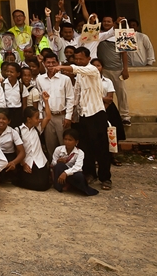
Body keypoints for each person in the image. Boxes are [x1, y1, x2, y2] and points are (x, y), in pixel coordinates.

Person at [56, 47, 112, 190]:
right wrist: (69, 116)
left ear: (88, 59)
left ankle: (105, 178)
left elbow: (77, 69)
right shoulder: (79, 76)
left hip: (97, 114)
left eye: (82, 59)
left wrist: (61, 66)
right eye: (77, 59)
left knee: (102, 148)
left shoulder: (92, 70)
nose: (79, 62)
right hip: (84, 116)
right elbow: (75, 97)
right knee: (85, 147)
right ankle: (90, 173)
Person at [35, 51, 74, 160]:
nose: (51, 65)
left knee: (65, 142)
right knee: (50, 144)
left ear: (58, 63)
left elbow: (70, 98)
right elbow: (39, 99)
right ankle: (53, 167)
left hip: (61, 116)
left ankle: (66, 167)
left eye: (53, 62)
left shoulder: (65, 79)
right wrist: (42, 117)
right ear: (44, 63)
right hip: (48, 117)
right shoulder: (40, 79)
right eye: (48, 62)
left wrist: (68, 117)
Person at [94, 15, 131, 126]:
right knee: (104, 95)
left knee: (121, 93)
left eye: (108, 21)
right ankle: (105, 114)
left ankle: (125, 116)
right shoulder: (98, 35)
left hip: (117, 70)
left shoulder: (120, 35)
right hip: (103, 71)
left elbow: (124, 52)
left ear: (113, 23)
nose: (106, 23)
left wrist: (125, 69)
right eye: (104, 21)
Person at [13, 101, 52, 192]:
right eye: (37, 118)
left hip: (39, 161)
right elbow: (17, 150)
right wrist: (23, 164)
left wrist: (46, 101)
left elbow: (48, 117)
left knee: (43, 185)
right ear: (29, 119)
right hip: (27, 161)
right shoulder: (18, 131)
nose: (39, 120)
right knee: (33, 183)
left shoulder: (38, 129)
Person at [52, 129, 98, 196]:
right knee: (59, 166)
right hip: (61, 171)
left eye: (70, 140)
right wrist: (57, 161)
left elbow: (78, 167)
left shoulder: (80, 153)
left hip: (72, 173)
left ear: (76, 142)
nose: (67, 142)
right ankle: (60, 186)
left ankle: (72, 185)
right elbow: (53, 164)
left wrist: (66, 173)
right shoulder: (58, 149)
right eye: (65, 139)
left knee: (79, 176)